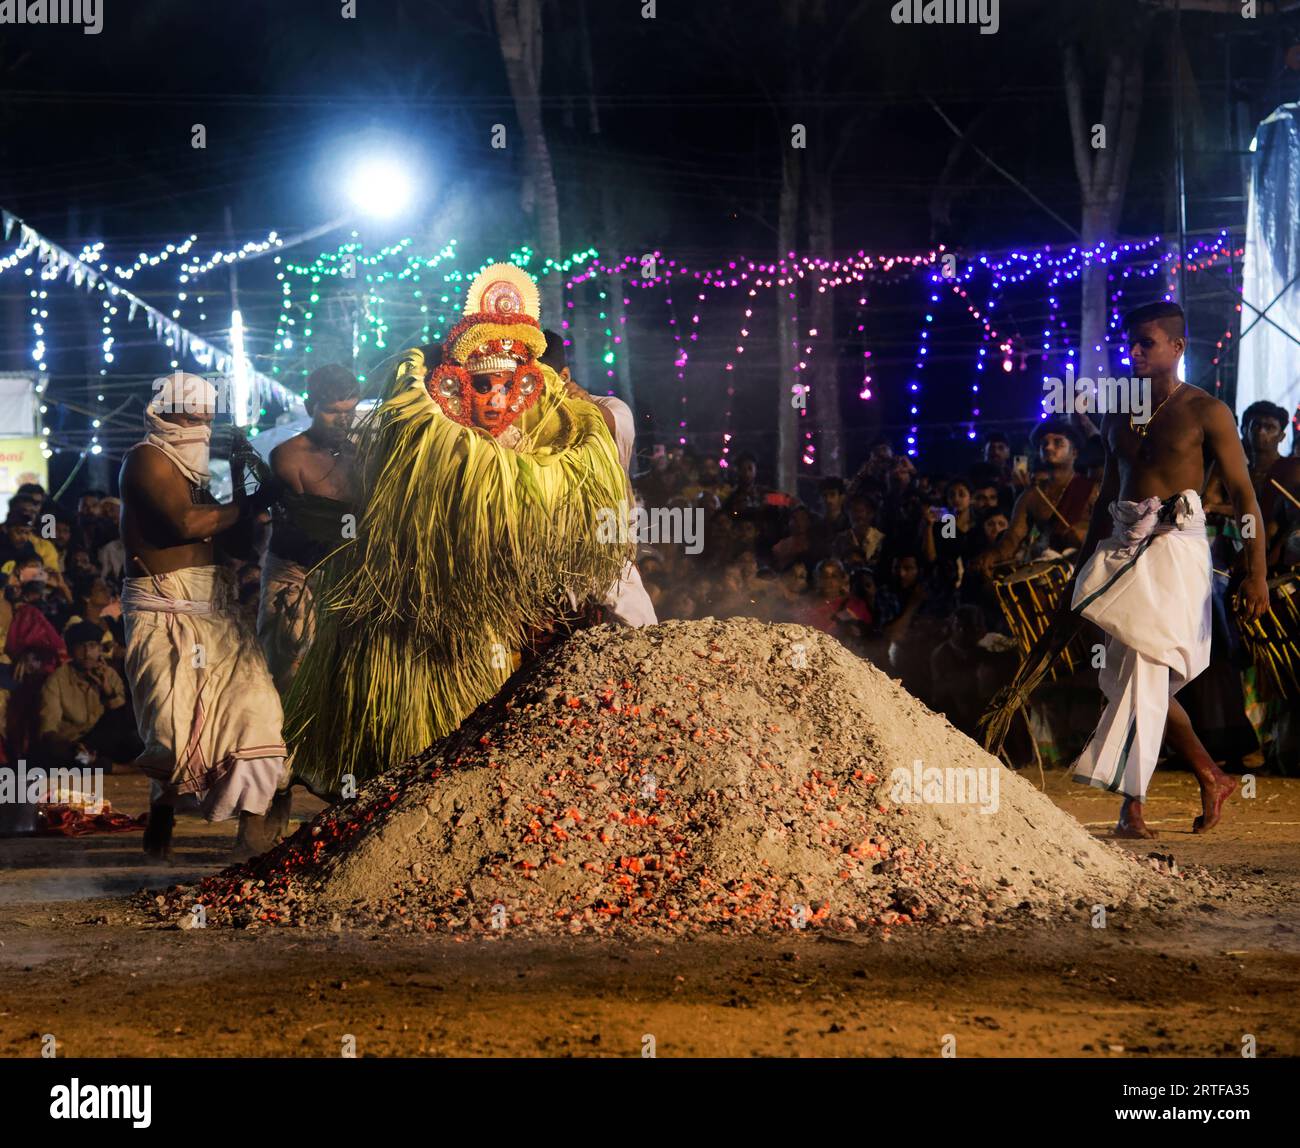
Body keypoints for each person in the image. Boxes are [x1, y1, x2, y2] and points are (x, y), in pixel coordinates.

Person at [284, 264, 632, 795]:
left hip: (507, 611)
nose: (496, 399)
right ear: (453, 385)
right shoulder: (429, 439)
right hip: (429, 611)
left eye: (510, 385)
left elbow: (560, 498)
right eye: (483, 385)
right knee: (427, 738)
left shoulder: (546, 437)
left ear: (530, 386)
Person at [1064, 302, 1268, 837]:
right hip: (1122, 547)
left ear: (1177, 349)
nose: (1134, 352)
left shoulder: (1207, 411)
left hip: (1178, 551)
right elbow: (1108, 494)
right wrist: (1083, 567)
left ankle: (1133, 806)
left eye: (1146, 343)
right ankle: (1209, 773)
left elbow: (1246, 497)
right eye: (1130, 343)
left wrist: (1257, 573)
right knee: (1130, 675)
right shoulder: (1116, 411)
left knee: (1147, 670)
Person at [118, 372, 287, 861]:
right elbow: (184, 525)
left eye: (206, 420)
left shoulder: (201, 473)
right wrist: (248, 502)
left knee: (257, 711)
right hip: (163, 612)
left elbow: (229, 539)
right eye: (190, 418)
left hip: (217, 609)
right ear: (165, 415)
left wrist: (247, 487)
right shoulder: (145, 460)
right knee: (171, 735)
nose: (199, 429)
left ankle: (252, 839)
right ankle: (163, 808)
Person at [540, 329, 657, 627]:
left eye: (540, 381)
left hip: (605, 554)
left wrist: (577, 407)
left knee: (636, 633)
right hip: (544, 560)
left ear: (563, 376)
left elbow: (611, 425)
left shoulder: (609, 408)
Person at [257, 363, 360, 696]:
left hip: (344, 577)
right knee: (291, 675)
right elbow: (312, 523)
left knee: (344, 680)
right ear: (309, 408)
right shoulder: (288, 456)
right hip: (296, 576)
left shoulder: (360, 453)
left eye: (350, 410)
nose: (343, 419)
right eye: (332, 411)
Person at [973, 418, 1097, 574]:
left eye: (1058, 442)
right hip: (1051, 573)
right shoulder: (1031, 496)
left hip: (1089, 571)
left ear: (1074, 452)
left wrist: (1087, 535)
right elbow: (1012, 539)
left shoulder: (1093, 489)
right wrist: (992, 555)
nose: (1049, 447)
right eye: (1044, 444)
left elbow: (1114, 531)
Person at [38, 620, 140, 770]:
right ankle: (112, 767)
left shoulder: (108, 674)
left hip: (103, 743)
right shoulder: (57, 680)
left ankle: (106, 765)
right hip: (73, 745)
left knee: (137, 740)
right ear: (71, 651)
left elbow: (122, 720)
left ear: (100, 649)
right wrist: (73, 747)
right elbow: (48, 731)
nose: (87, 653)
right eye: (81, 647)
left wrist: (107, 691)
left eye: (92, 646)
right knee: (71, 757)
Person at [1242, 400, 1300, 571]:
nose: (1261, 431)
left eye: (1270, 427)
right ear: (1245, 430)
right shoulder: (1237, 472)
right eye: (1256, 425)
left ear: (1281, 436)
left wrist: (1276, 550)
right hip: (1239, 557)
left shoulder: (1293, 469)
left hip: (1281, 562)